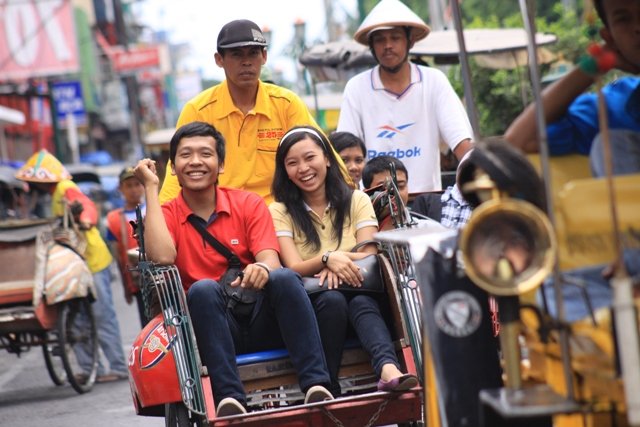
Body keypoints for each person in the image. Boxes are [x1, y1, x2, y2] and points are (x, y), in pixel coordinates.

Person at [134, 122, 333, 417]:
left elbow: (270, 258)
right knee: (202, 289)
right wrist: (151, 187)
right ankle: (229, 397)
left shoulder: (248, 203)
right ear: (173, 168)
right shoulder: (166, 215)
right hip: (211, 325)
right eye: (186, 155)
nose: (196, 162)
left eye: (206, 153)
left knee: (284, 278)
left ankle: (316, 384)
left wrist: (262, 268)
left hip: (260, 316)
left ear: (221, 164)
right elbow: (162, 256)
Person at [269, 125, 419, 397]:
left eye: (309, 157)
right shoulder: (279, 210)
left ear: (327, 158)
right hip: (314, 306)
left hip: (363, 291)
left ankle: (387, 369)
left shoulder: (357, 200)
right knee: (333, 300)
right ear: (285, 171)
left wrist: (337, 261)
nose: (303, 168)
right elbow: (291, 267)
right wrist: (328, 258)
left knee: (359, 301)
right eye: (292, 163)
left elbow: (371, 256)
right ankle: (331, 386)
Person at [158, 19, 349, 205]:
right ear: (219, 60)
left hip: (280, 216)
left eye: (253, 53)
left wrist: (354, 196)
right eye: (236, 54)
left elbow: (323, 153)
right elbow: (177, 171)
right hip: (221, 217)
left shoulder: (286, 104)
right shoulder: (198, 110)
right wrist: (161, 217)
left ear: (264, 56)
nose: (247, 62)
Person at [337, 0, 474, 195]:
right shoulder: (356, 88)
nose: (388, 46)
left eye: (395, 37)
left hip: (426, 199)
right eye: (380, 40)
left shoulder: (434, 81)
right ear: (372, 46)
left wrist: (482, 175)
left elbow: (462, 144)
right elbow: (344, 153)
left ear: (410, 41)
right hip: (375, 202)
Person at [15, 149, 128, 383]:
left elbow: (85, 205)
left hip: (93, 259)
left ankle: (117, 366)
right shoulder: (50, 196)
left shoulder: (64, 187)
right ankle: (89, 368)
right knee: (78, 317)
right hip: (72, 262)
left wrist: (85, 219)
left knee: (101, 314)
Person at [505, 0, 640, 177]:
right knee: (611, 144)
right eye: (623, 19)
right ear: (610, 37)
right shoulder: (610, 109)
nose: (638, 27)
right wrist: (595, 64)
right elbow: (518, 142)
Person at [105, 166, 146, 327]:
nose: (134, 190)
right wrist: (125, 286)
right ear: (120, 189)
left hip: (161, 275)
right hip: (138, 280)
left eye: (137, 184)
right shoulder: (114, 219)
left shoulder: (156, 209)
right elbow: (119, 258)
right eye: (129, 186)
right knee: (147, 321)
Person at [361, 155, 411, 231]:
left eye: (400, 186)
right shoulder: (357, 235)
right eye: (384, 188)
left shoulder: (428, 230)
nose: (394, 194)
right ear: (368, 193)